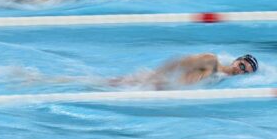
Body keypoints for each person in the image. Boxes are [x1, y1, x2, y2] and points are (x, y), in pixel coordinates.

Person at [109, 53, 260, 89]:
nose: (240, 71)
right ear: (236, 60)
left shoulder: (221, 80)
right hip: (150, 83)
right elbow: (178, 62)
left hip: (161, 89)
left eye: (245, 72)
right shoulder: (212, 61)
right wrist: (153, 78)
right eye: (241, 65)